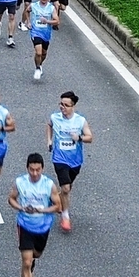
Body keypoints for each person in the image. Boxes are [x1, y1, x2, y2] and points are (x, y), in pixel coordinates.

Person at [13, 152, 62, 277]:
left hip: (42, 226)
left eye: (38, 170)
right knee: (26, 262)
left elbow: (57, 206)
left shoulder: (49, 185)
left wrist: (43, 209)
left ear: (42, 169)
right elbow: (11, 198)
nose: (34, 173)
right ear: (27, 168)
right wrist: (20, 208)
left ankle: (32, 262)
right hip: (25, 225)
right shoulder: (20, 182)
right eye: (31, 170)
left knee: (37, 255)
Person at [49, 91, 91, 231]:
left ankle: (55, 198)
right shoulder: (55, 117)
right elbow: (49, 125)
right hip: (59, 158)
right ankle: (65, 217)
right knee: (66, 188)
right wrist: (49, 140)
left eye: (66, 105)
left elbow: (90, 137)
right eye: (61, 104)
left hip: (75, 161)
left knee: (67, 187)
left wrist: (79, 138)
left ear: (73, 106)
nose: (62, 107)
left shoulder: (80, 120)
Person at [29, 0, 59, 81]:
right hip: (35, 32)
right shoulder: (33, 5)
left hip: (46, 34)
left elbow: (57, 21)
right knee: (38, 52)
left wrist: (47, 21)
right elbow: (27, 11)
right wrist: (28, 22)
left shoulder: (51, 8)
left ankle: (40, 64)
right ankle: (37, 68)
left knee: (44, 53)